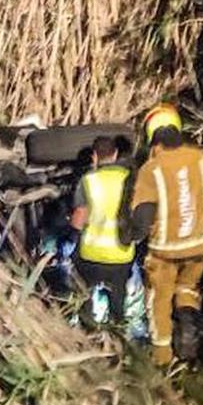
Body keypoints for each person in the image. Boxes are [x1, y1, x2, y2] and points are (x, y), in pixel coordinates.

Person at [125, 103, 203, 366]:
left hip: (164, 251)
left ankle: (163, 359)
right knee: (187, 288)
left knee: (159, 300)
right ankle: (189, 336)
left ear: (151, 134)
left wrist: (131, 235)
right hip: (198, 244)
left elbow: (142, 218)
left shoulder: (151, 170)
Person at [70, 136, 135, 327]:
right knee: (118, 295)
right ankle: (118, 328)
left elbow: (79, 216)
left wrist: (71, 232)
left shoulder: (88, 180)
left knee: (84, 293)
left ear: (94, 157)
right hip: (121, 255)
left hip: (91, 254)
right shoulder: (128, 178)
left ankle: (87, 328)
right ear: (115, 154)